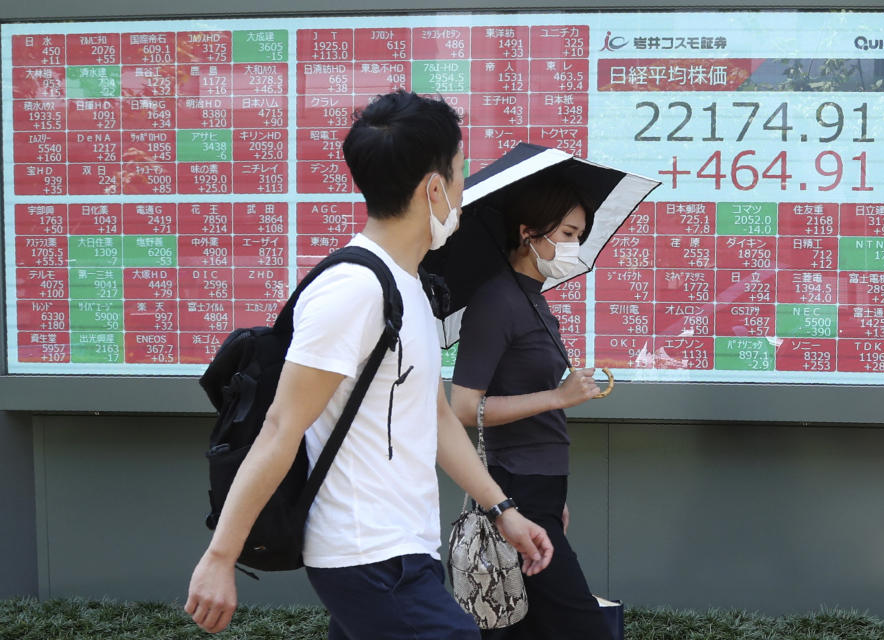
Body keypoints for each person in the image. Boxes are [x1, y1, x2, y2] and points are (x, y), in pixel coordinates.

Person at [185, 90, 553, 639]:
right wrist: (220, 556)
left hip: (404, 549)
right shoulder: (353, 290)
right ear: (433, 188)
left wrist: (503, 510)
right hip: (367, 557)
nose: (461, 188)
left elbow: (433, 420)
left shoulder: (412, 289)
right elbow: (281, 428)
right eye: (458, 173)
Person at [450, 167, 615, 640]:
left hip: (541, 489)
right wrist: (558, 395)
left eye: (579, 236)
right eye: (567, 234)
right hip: (515, 487)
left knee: (529, 627)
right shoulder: (496, 301)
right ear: (528, 232)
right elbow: (463, 407)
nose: (574, 246)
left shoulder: (533, 300)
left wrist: (553, 500)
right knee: (581, 626)